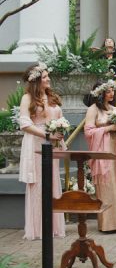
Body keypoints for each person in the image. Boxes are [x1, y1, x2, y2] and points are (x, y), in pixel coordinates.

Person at [18, 63, 66, 240]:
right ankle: (38, 228)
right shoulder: (27, 98)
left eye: (48, 76)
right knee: (38, 183)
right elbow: (24, 123)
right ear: (37, 80)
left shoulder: (51, 97)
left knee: (52, 181)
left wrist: (60, 131)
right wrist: (47, 134)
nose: (48, 79)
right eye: (45, 77)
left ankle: (53, 227)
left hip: (52, 144)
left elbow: (58, 118)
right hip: (36, 144)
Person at [84, 80, 116, 232]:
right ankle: (108, 224)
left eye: (112, 91)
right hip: (103, 149)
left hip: (115, 148)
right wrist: (109, 127)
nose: (112, 93)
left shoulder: (114, 108)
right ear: (100, 93)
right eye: (108, 91)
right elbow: (88, 131)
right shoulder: (93, 109)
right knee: (107, 182)